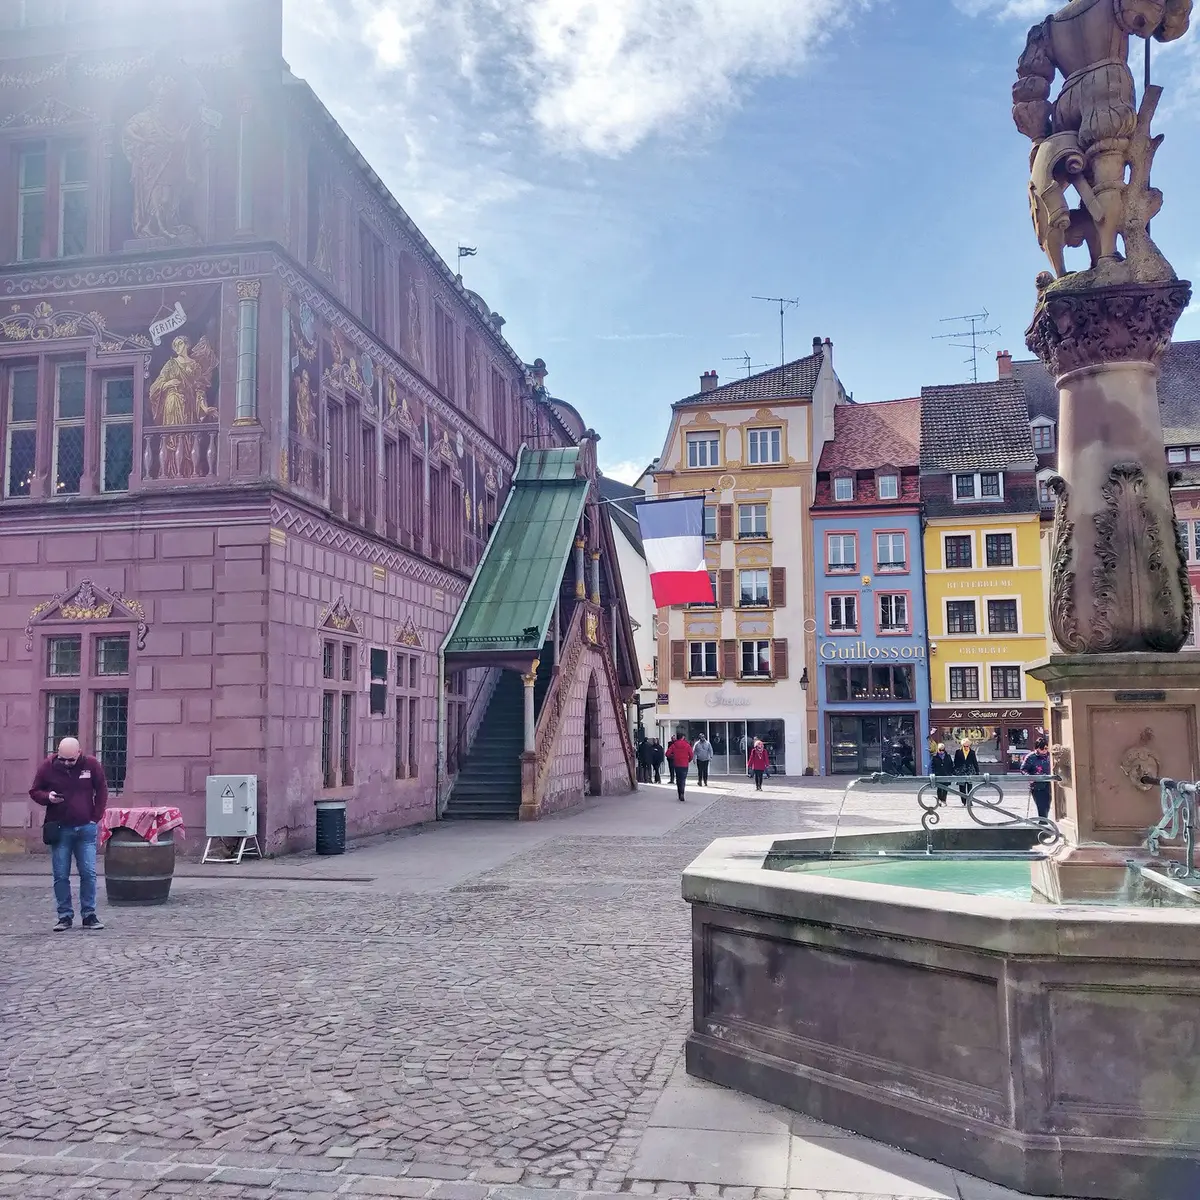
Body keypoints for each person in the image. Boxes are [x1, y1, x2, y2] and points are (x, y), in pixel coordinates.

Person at [30, 737, 109, 932]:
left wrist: (95, 817)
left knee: (89, 873)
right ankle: (64, 916)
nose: (66, 763)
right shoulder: (47, 766)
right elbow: (34, 791)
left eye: (71, 760)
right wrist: (48, 797)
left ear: (79, 753)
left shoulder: (91, 764)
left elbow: (102, 790)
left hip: (85, 827)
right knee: (60, 875)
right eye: (63, 759)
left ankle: (89, 915)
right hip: (60, 828)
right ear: (58, 753)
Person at [1022, 736, 1054, 821]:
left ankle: (1044, 821)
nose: (1044, 751)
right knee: (1041, 805)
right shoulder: (1030, 757)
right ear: (1037, 748)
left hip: (1049, 783)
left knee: (1047, 804)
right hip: (1037, 785)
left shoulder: (1050, 756)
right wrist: (1030, 778)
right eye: (1042, 749)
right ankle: (1043, 822)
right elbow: (1023, 769)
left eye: (1046, 748)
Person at [667, 732, 693, 801]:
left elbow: (667, 753)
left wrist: (673, 757)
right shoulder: (687, 745)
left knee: (678, 779)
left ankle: (679, 794)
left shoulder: (674, 745)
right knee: (683, 779)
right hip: (684, 764)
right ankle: (682, 793)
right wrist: (688, 760)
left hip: (677, 764)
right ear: (682, 737)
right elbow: (691, 755)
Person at [953, 737, 979, 806]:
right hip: (961, 772)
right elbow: (955, 762)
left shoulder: (972, 752)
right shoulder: (958, 752)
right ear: (962, 745)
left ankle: (969, 801)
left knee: (970, 787)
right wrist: (955, 771)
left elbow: (975, 762)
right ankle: (964, 802)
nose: (966, 747)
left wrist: (977, 771)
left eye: (967, 746)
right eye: (964, 746)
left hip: (969, 771)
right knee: (962, 788)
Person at [930, 742, 955, 806]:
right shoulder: (935, 757)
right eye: (940, 750)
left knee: (945, 788)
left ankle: (944, 800)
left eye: (943, 750)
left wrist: (951, 773)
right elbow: (932, 766)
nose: (941, 751)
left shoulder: (948, 756)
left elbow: (951, 765)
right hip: (938, 775)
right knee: (939, 788)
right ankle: (939, 800)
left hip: (946, 774)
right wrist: (933, 774)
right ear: (937, 749)